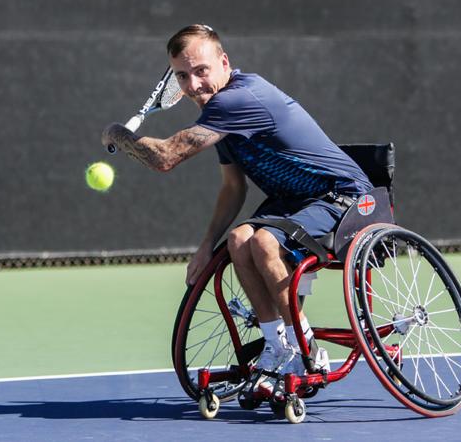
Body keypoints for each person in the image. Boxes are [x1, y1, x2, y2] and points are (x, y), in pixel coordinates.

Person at [102, 24, 372, 379]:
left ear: (224, 63)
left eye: (201, 71)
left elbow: (165, 157)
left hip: (344, 198)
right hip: (293, 204)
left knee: (262, 241)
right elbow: (233, 188)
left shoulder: (238, 100)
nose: (193, 84)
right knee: (238, 239)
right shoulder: (220, 115)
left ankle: (305, 348)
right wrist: (205, 247)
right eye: (182, 76)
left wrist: (117, 134)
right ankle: (277, 347)